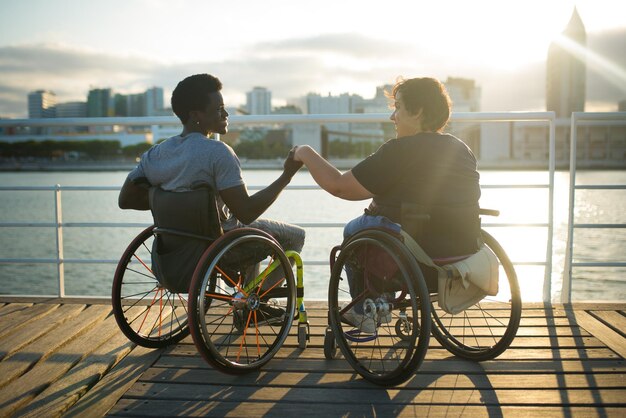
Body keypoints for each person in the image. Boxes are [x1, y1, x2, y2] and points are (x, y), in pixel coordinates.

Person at [293, 77, 480, 332]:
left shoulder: (399, 151)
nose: (393, 117)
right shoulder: (461, 149)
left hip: (416, 259)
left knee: (353, 230)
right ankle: (381, 297)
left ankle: (363, 311)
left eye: (399, 107)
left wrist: (304, 152)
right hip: (461, 257)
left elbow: (338, 185)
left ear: (418, 112)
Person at [119, 73, 305, 324]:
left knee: (245, 229)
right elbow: (247, 212)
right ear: (196, 115)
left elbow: (126, 199)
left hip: (178, 249)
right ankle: (254, 303)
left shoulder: (156, 154)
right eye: (219, 109)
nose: (226, 114)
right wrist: (287, 175)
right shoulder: (218, 153)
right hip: (222, 248)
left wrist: (170, 203)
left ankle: (247, 302)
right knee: (294, 236)